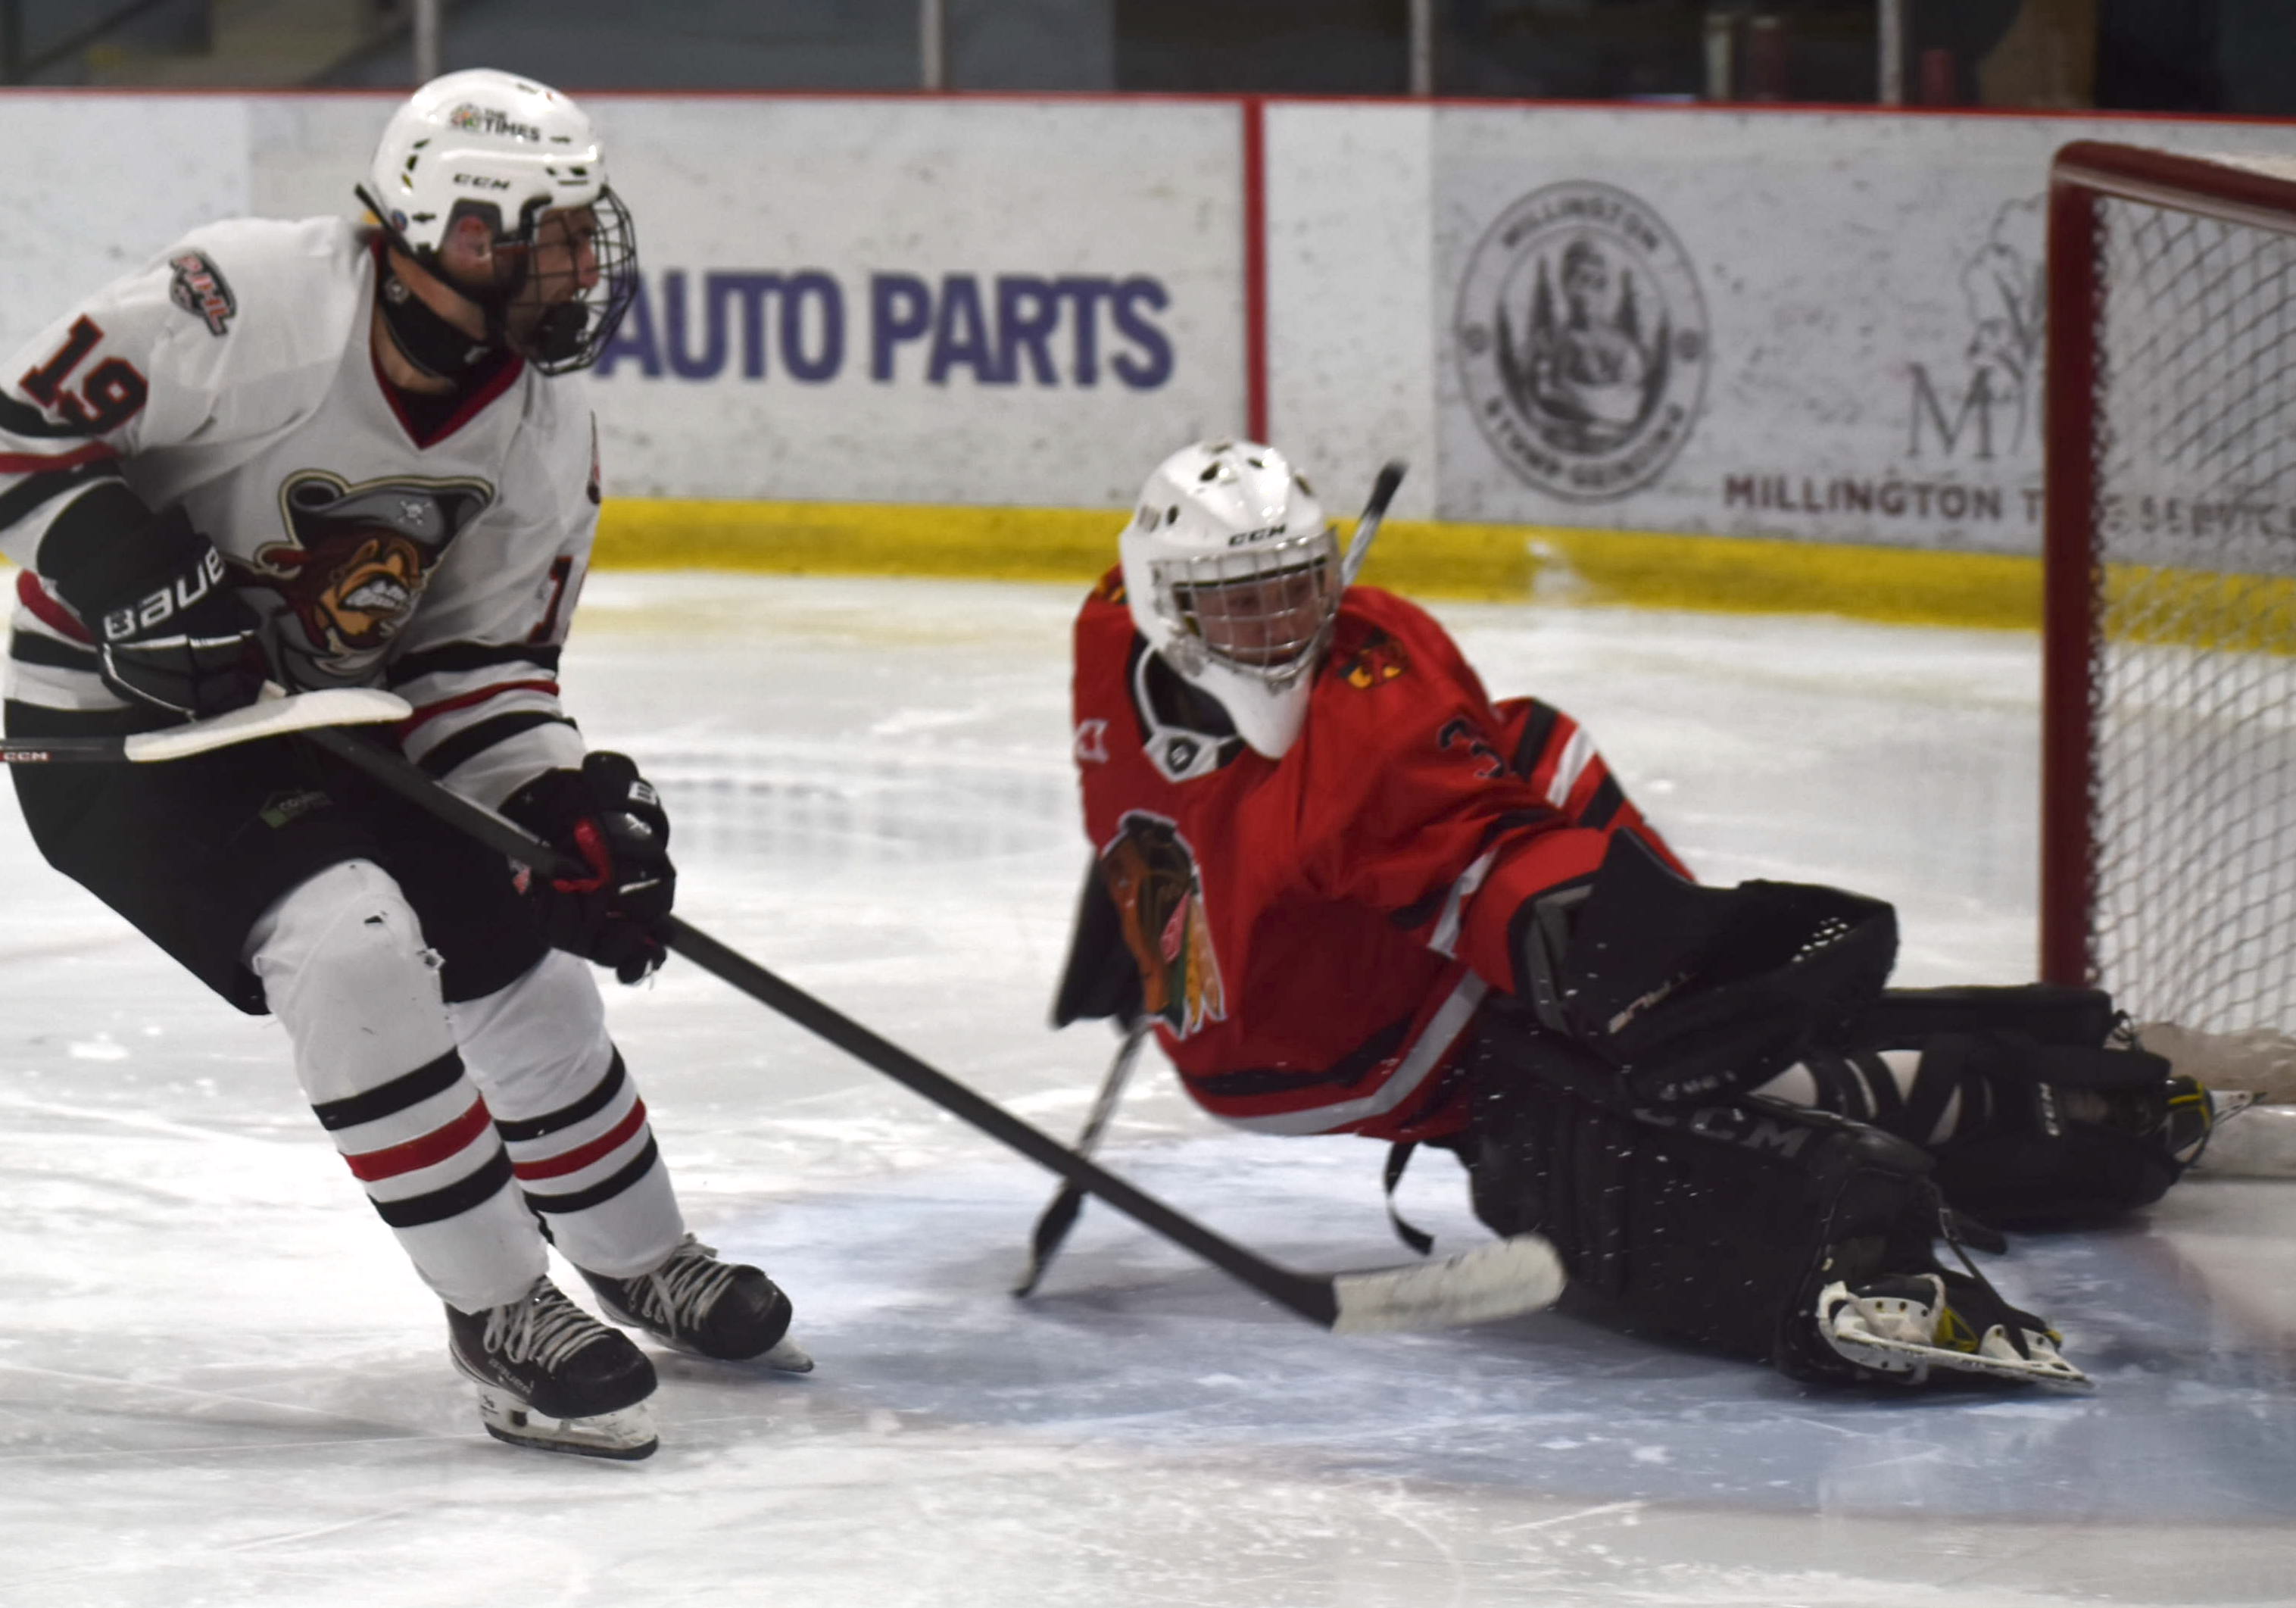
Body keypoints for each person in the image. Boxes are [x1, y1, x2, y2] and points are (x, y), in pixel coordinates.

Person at [0, 69, 804, 1460]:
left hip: (318, 722)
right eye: (545, 234)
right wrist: (127, 572)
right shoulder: (249, 302)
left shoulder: (541, 424)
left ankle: (636, 1252)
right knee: (353, 938)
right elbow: (21, 426)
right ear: (455, 235)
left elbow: (476, 665)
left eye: (579, 230)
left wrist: (556, 806)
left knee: (520, 950)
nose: (575, 263)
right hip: (110, 727)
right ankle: (497, 1310)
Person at [1057, 439, 2213, 1388]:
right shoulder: (1205, 679)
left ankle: (2091, 1099)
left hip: (1290, 1017)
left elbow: (1457, 839)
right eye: (1241, 607)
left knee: (1538, 771)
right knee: (1660, 1057)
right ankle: (1970, 1118)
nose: (1279, 631)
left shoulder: (1159, 649)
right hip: (1363, 1045)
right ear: (1167, 604)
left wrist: (1590, 953)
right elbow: (1440, 845)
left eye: (1298, 593)